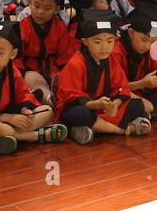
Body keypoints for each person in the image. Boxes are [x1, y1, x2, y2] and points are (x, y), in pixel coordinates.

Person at [0, 20, 68, 151]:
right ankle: (33, 136)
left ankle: (5, 137)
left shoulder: (12, 71)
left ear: (12, 54)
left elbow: (23, 95)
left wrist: (25, 110)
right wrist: (8, 118)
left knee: (47, 111)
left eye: (0, 53)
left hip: (11, 118)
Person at [55, 10, 151, 143]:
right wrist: (95, 104)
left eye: (110, 41)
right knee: (80, 114)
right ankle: (122, 130)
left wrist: (115, 104)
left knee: (137, 105)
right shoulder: (76, 63)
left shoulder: (111, 61)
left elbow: (121, 86)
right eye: (98, 42)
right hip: (85, 107)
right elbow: (69, 95)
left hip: (104, 106)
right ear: (86, 41)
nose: (105, 47)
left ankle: (92, 128)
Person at [16, 0, 78, 104]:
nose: (40, 12)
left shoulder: (60, 27)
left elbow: (66, 56)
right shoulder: (22, 26)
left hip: (54, 70)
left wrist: (65, 74)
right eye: (36, 6)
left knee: (65, 82)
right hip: (30, 70)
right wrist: (19, 75)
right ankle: (49, 99)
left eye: (47, 8)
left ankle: (55, 98)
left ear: (56, 9)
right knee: (37, 83)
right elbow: (17, 59)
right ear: (29, 4)